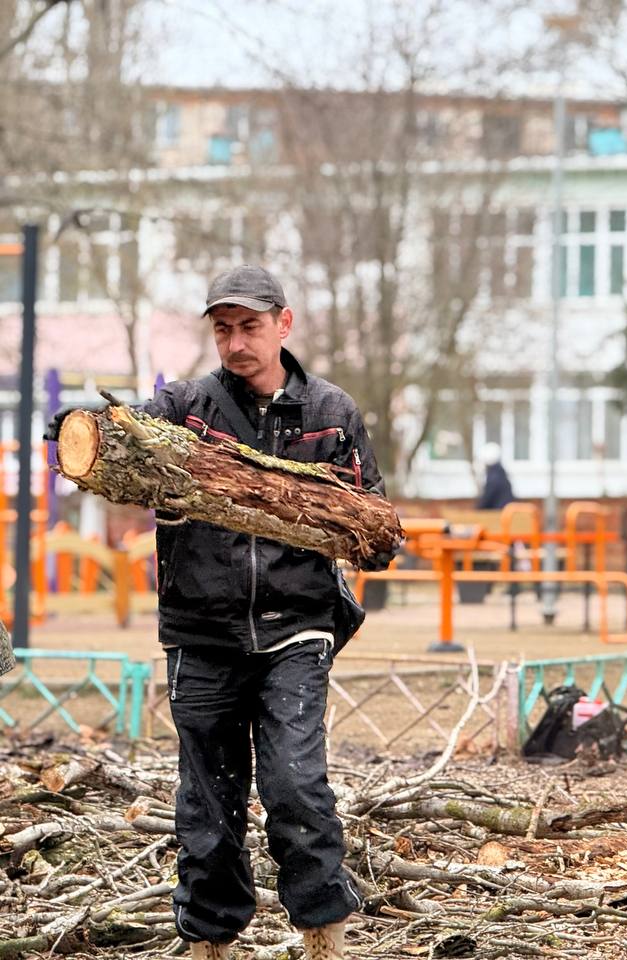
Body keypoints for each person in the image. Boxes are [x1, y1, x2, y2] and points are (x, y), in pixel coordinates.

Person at [47, 265, 392, 960]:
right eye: (224, 329)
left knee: (294, 783)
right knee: (208, 799)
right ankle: (212, 944)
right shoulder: (186, 408)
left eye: (250, 326)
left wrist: (363, 534)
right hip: (201, 632)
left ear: (283, 325)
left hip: (298, 627)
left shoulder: (332, 414)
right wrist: (78, 429)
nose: (236, 342)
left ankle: (324, 937)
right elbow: (118, 435)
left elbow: (374, 523)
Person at [475, 441, 515, 510]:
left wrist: (476, 510)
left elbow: (487, 500)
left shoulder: (494, 478)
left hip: (498, 515)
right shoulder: (501, 474)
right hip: (504, 512)